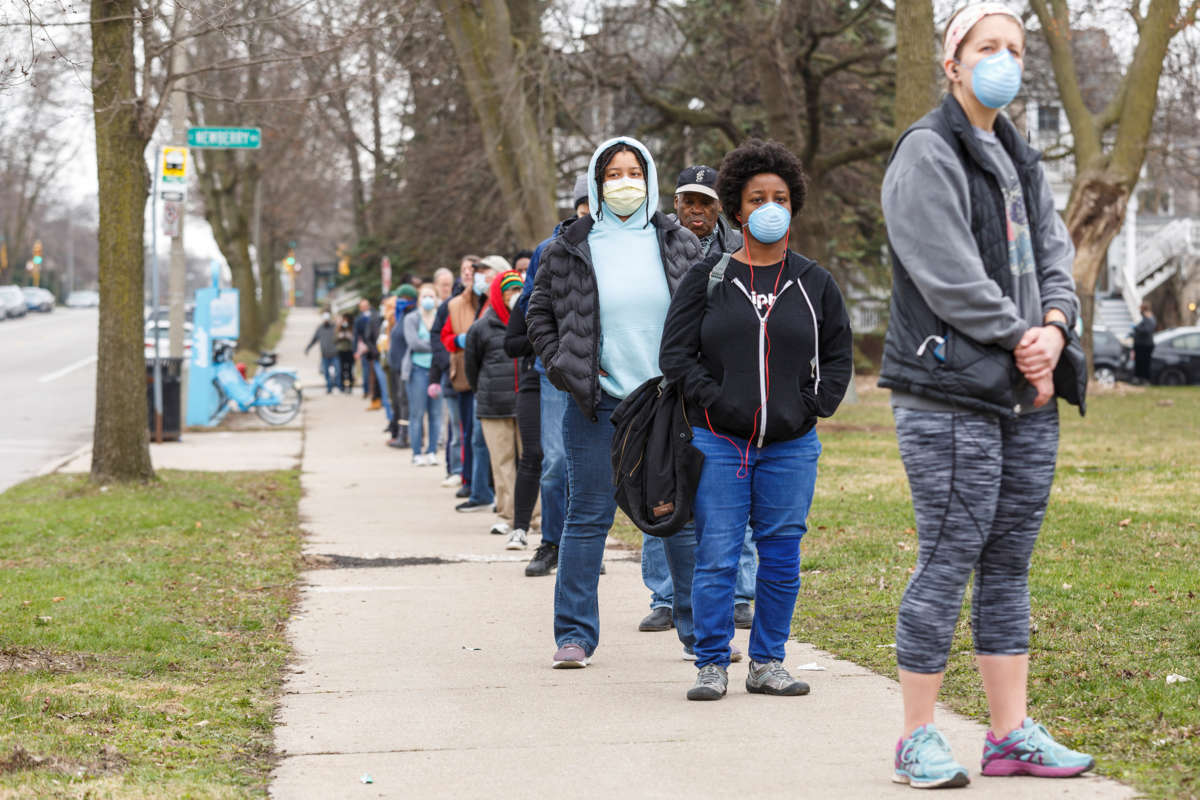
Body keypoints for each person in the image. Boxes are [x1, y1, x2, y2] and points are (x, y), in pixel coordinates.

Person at [879, 4, 1093, 788]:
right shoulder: (925, 153)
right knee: (948, 557)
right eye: (987, 47)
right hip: (948, 393)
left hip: (1025, 394)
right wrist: (1022, 337)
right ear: (952, 62)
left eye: (1015, 48)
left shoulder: (1021, 156)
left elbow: (1056, 252)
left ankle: (1010, 737)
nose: (1003, 59)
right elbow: (946, 272)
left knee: (1008, 563)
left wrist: (1058, 325)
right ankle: (915, 737)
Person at [660, 139, 852, 703]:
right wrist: (713, 400)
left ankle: (768, 661)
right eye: (757, 197)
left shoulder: (815, 282)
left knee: (781, 556)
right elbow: (675, 356)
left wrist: (816, 402)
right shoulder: (709, 277)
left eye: (781, 197)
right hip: (719, 441)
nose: (771, 206)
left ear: (793, 207)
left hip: (791, 447)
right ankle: (712, 662)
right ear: (737, 209)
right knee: (717, 555)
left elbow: (838, 353)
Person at [527, 135, 702, 669]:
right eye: (613, 174)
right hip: (598, 402)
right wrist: (566, 366)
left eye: (634, 172)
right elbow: (537, 316)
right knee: (587, 516)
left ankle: (701, 632)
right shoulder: (569, 246)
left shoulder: (677, 242)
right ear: (598, 184)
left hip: (666, 403)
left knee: (677, 519)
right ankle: (574, 636)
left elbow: (705, 315)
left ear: (649, 180)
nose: (624, 182)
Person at [642, 164, 758, 634]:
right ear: (675, 204)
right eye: (689, 201)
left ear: (720, 209)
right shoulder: (655, 248)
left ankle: (742, 594)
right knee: (663, 487)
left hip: (723, 386)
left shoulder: (740, 251)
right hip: (665, 383)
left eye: (706, 202)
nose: (696, 210)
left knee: (736, 485)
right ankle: (665, 597)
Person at [516, 174, 591, 577]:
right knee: (556, 459)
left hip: (599, 371)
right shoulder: (549, 250)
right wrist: (551, 352)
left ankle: (584, 545)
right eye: (583, 208)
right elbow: (531, 309)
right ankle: (550, 543)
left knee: (593, 462)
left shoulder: (614, 248)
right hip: (554, 371)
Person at [466, 270, 540, 538]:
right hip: (494, 405)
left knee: (532, 458)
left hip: (528, 401)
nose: (512, 296)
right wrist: (482, 393)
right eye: (507, 291)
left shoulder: (533, 321)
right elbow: (471, 367)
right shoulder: (481, 327)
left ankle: (535, 516)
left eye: (517, 290)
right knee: (502, 461)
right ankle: (508, 514)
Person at [434, 256, 500, 513]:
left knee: (484, 438)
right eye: (471, 271)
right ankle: (475, 485)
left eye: (481, 272)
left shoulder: (492, 302)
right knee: (471, 435)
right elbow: (443, 337)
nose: (474, 276)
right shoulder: (456, 305)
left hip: (491, 377)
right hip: (464, 376)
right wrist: (458, 346)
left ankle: (487, 489)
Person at [429, 256, 480, 495]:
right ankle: (457, 470)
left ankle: (474, 477)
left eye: (473, 269)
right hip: (456, 374)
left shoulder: (484, 301)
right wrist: (446, 362)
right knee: (459, 429)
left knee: (474, 431)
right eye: (464, 270)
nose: (468, 273)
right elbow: (439, 337)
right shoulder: (451, 305)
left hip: (480, 376)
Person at [503, 265, 544, 552]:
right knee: (532, 455)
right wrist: (541, 337)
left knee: (565, 464)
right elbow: (511, 344)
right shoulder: (526, 302)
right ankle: (519, 527)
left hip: (568, 384)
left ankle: (569, 536)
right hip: (533, 383)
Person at [403, 284, 443, 465]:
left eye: (431, 296)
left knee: (435, 414)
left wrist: (433, 344)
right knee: (417, 413)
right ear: (419, 299)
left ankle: (432, 450)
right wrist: (435, 345)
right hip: (417, 370)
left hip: (437, 371)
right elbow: (414, 343)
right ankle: (417, 452)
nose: (428, 299)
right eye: (424, 296)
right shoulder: (411, 318)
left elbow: (443, 341)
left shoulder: (440, 317)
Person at [386, 286, 417, 448]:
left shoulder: (411, 317)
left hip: (405, 369)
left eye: (401, 298)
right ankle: (399, 432)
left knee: (404, 402)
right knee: (399, 401)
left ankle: (404, 436)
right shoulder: (401, 317)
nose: (398, 302)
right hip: (396, 367)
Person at [305, 310, 339, 393]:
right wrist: (308, 348)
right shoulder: (320, 329)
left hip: (335, 354)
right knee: (326, 373)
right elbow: (314, 339)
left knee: (338, 371)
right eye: (325, 320)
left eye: (327, 319)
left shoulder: (335, 327)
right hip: (325, 355)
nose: (326, 321)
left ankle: (339, 386)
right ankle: (329, 388)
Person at [1132, 302, 1156, 383]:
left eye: (1140, 309)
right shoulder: (1146, 318)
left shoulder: (1149, 318)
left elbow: (1147, 330)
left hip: (1144, 345)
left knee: (1144, 363)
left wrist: (1136, 329)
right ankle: (1139, 378)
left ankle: (1144, 379)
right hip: (1141, 344)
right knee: (1140, 363)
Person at [353, 298, 372, 398]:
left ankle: (373, 391)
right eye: (362, 306)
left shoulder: (374, 316)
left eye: (365, 306)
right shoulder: (359, 320)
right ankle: (366, 390)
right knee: (365, 370)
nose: (364, 308)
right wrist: (355, 350)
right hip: (364, 348)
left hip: (374, 347)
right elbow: (356, 335)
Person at [336, 312, 356, 392]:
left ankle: (350, 386)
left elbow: (355, 339)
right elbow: (334, 340)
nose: (345, 321)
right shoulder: (339, 328)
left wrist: (350, 336)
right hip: (341, 351)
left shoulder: (352, 327)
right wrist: (339, 336)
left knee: (350, 370)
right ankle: (342, 386)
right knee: (342, 370)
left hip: (349, 351)